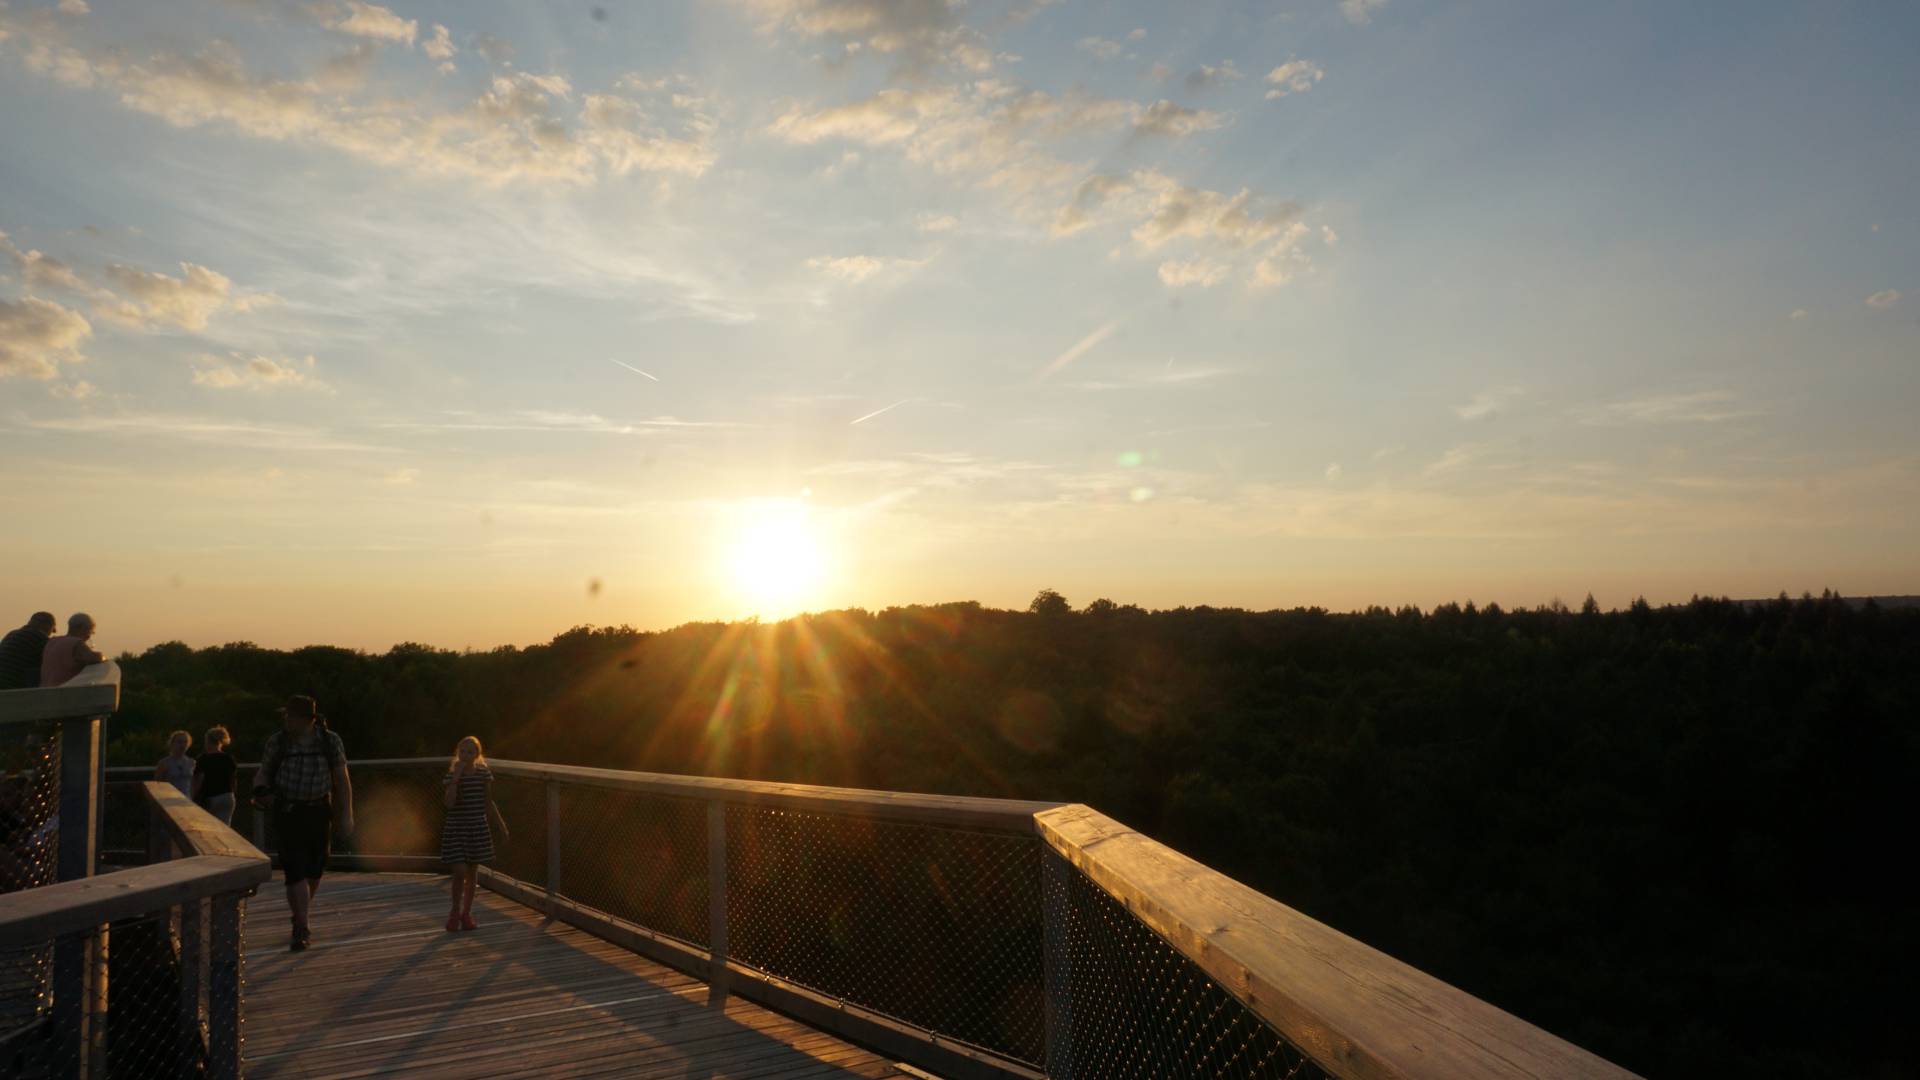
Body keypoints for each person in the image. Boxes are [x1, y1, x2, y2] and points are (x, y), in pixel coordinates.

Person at [253, 696, 353, 952]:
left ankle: (300, 913)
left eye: (291, 716)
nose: (286, 720)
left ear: (307, 719)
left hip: (319, 810)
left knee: (314, 870)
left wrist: (346, 815)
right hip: (288, 811)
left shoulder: (330, 741)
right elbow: (264, 770)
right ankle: (301, 926)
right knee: (294, 869)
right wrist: (260, 790)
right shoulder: (278, 741)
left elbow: (342, 779)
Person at [440, 736, 507, 932]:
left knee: (472, 871)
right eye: (462, 751)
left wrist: (500, 825)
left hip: (476, 828)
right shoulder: (451, 775)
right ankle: (454, 910)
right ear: (458, 754)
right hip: (456, 827)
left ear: (477, 755)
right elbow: (449, 803)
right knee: (459, 871)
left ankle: (466, 913)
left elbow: (488, 801)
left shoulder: (483, 774)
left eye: (470, 752)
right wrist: (456, 779)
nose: (466, 755)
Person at [39, 613, 104, 688]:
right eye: (90, 631)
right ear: (81, 627)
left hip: (44, 690)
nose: (89, 636)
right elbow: (95, 658)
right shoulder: (76, 643)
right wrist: (103, 656)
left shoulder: (52, 641)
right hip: (64, 691)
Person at [193, 726, 238, 825]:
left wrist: (192, 796)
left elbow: (199, 780)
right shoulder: (228, 758)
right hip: (228, 796)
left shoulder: (203, 759)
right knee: (225, 828)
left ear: (208, 741)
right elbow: (233, 779)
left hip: (210, 798)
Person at [0, 612, 55, 690]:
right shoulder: (40, 638)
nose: (50, 634)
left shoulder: (11, 634)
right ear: (46, 625)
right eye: (52, 629)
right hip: (13, 686)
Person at [154, 730, 194, 798]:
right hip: (169, 798)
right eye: (179, 742)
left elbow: (193, 784)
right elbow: (157, 784)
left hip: (187, 800)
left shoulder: (191, 762)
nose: (183, 745)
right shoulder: (164, 763)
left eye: (185, 742)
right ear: (172, 743)